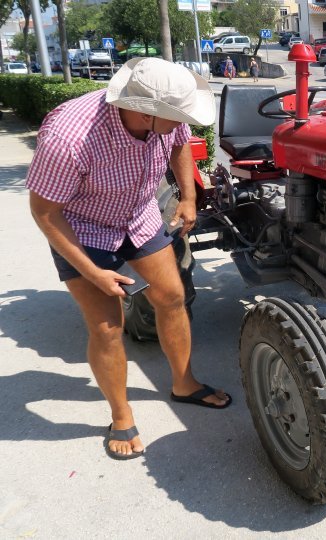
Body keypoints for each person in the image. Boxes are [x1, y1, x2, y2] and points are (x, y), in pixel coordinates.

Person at [26, 57, 231, 461]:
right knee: (106, 327)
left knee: (171, 297)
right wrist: (94, 272)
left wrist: (189, 197)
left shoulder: (165, 116)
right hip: (82, 229)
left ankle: (184, 384)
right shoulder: (68, 137)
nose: (182, 122)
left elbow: (180, 145)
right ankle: (120, 416)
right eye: (176, 117)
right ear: (144, 113)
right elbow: (45, 213)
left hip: (138, 215)